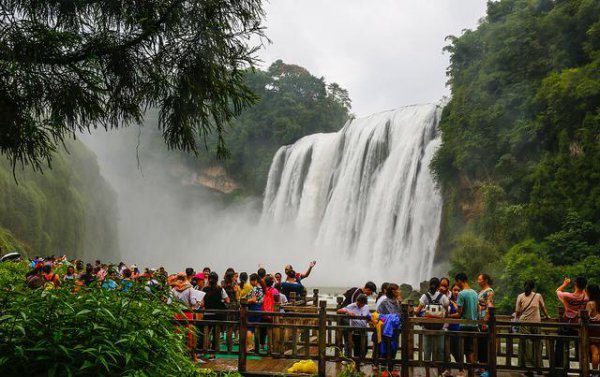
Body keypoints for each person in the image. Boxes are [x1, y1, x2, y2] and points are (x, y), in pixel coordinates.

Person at [415, 277, 449, 375]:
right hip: (440, 328)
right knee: (440, 352)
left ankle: (427, 373)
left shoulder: (425, 297)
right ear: (439, 286)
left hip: (427, 328)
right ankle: (439, 373)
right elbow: (447, 308)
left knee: (427, 352)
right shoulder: (442, 297)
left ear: (429, 285)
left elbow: (417, 311)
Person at [515, 280, 550, 373]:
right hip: (536, 323)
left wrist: (518, 316)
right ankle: (538, 367)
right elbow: (543, 308)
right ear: (533, 288)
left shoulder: (520, 296)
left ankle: (528, 368)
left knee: (526, 346)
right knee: (537, 345)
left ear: (524, 286)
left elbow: (517, 312)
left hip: (524, 323)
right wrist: (547, 316)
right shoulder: (538, 296)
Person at [555, 276, 589, 370]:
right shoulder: (586, 298)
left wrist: (565, 284)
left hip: (567, 324)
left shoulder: (567, 296)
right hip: (578, 326)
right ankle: (583, 369)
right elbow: (585, 295)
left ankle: (559, 368)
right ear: (585, 286)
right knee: (581, 346)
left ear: (575, 285)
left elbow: (557, 291)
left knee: (560, 345)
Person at [172, 272, 202, 363]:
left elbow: (169, 302)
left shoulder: (173, 289)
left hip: (177, 313)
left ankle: (177, 354)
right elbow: (193, 302)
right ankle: (192, 357)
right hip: (187, 314)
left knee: (177, 333)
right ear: (185, 278)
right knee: (190, 335)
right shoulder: (190, 289)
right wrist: (197, 302)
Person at [201, 272, 229, 360]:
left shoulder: (204, 289)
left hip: (207, 314)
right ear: (217, 280)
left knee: (206, 333)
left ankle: (203, 351)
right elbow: (227, 300)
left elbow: (201, 303)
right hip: (218, 314)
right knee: (215, 334)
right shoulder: (220, 289)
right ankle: (212, 354)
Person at [455, 273, 479, 371]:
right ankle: (472, 370)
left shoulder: (461, 294)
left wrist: (446, 315)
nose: (456, 284)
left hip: (465, 325)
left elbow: (459, 313)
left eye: (457, 282)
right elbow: (477, 309)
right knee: (472, 350)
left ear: (460, 280)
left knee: (467, 351)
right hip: (474, 325)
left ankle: (470, 372)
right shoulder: (475, 293)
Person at [338, 294, 370, 360]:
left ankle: (361, 360)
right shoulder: (352, 306)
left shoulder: (366, 307)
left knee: (365, 348)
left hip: (364, 330)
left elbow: (368, 316)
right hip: (355, 330)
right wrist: (347, 312)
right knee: (356, 348)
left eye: (361, 303)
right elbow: (339, 311)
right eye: (358, 302)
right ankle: (356, 363)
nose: (359, 304)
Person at [476, 273, 494, 366]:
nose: (478, 281)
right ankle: (481, 366)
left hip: (484, 320)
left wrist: (485, 321)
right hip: (479, 319)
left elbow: (489, 306)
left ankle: (486, 367)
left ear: (485, 280)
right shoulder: (481, 291)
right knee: (480, 344)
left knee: (484, 344)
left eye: (479, 279)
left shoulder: (489, 291)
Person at [246, 273, 265, 352]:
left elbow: (253, 299)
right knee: (255, 327)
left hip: (253, 308)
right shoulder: (262, 289)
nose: (250, 282)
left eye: (251, 280)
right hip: (259, 308)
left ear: (255, 281)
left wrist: (245, 301)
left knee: (249, 328)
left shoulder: (255, 289)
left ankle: (250, 345)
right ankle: (255, 345)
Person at [586, 284, 600, 370]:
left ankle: (595, 372)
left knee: (595, 352)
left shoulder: (590, 303)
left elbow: (586, 317)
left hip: (594, 330)